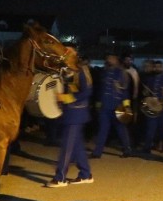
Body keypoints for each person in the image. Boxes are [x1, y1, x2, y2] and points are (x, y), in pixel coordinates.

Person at [47, 45, 94, 187]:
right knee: (77, 146)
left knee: (67, 146)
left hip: (77, 113)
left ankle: (60, 178)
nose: (65, 53)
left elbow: (87, 92)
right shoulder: (64, 69)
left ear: (75, 53)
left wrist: (66, 98)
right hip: (70, 113)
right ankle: (86, 174)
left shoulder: (82, 69)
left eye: (68, 51)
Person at [91, 52, 133, 158]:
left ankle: (127, 149)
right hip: (105, 106)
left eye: (111, 58)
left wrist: (126, 106)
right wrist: (98, 103)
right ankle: (97, 152)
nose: (108, 60)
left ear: (116, 60)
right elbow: (101, 89)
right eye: (108, 58)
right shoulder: (104, 72)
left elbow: (125, 91)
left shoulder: (122, 73)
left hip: (117, 106)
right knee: (102, 129)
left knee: (121, 129)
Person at [141, 60, 163, 152]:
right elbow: (145, 93)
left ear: (162, 68)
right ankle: (147, 147)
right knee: (150, 129)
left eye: (159, 67)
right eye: (156, 67)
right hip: (152, 107)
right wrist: (145, 92)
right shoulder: (150, 79)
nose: (157, 68)